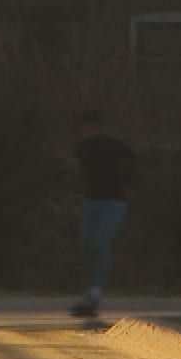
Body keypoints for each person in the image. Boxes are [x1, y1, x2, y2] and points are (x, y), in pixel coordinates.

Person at [70, 111, 135, 319]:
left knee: (99, 244)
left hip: (114, 200)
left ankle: (96, 293)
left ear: (96, 127)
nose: (86, 132)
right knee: (87, 246)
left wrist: (127, 182)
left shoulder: (111, 145)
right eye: (83, 128)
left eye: (89, 127)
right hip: (92, 200)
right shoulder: (82, 149)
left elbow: (132, 160)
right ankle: (89, 292)